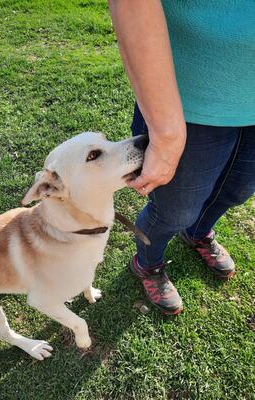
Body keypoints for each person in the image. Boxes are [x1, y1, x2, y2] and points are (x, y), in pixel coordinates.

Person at [108, 0, 255, 314]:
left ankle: (198, 233)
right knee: (174, 211)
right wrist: (165, 134)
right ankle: (148, 263)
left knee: (237, 190)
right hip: (190, 105)